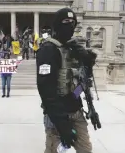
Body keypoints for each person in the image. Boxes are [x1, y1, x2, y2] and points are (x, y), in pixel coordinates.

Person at [36, 8, 96, 153]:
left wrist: (86, 58)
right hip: (56, 116)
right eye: (66, 21)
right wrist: (62, 125)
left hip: (76, 110)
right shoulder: (48, 50)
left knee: (86, 149)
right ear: (57, 24)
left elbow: (83, 81)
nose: (70, 25)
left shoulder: (72, 48)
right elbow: (46, 91)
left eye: (73, 22)